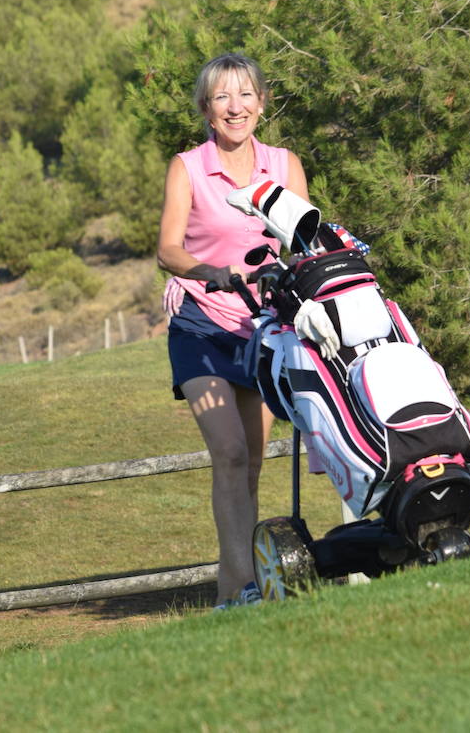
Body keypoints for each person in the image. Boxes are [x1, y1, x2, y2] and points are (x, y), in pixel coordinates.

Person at [157, 53, 308, 610]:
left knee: (250, 464)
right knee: (228, 452)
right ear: (206, 109)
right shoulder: (189, 167)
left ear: (262, 104)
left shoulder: (283, 165)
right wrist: (209, 272)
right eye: (222, 97)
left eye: (245, 95)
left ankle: (234, 595)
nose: (235, 107)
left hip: (261, 330)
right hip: (200, 324)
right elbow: (167, 248)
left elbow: (306, 239)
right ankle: (248, 586)